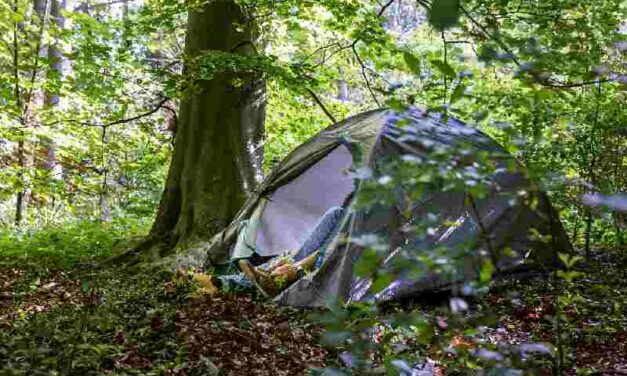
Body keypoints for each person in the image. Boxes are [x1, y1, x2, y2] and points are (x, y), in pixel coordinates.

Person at [208, 205, 345, 297]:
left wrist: (296, 266)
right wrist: (284, 261)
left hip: (331, 265)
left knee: (340, 243)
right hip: (308, 259)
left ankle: (289, 273)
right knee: (336, 213)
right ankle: (219, 282)